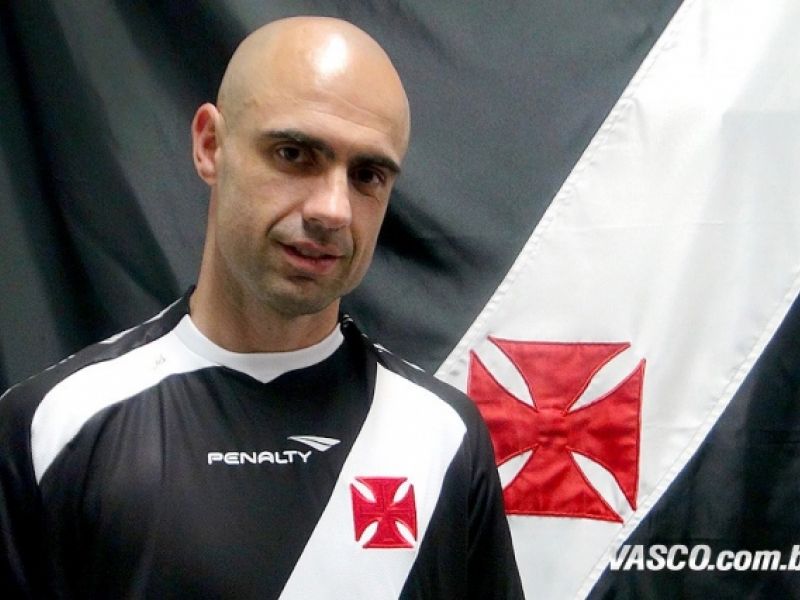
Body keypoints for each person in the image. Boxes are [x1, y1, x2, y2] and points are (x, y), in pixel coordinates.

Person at [0, 16, 523, 600]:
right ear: (210, 145)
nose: (333, 210)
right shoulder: (52, 426)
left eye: (367, 175)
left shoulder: (443, 436)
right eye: (294, 154)